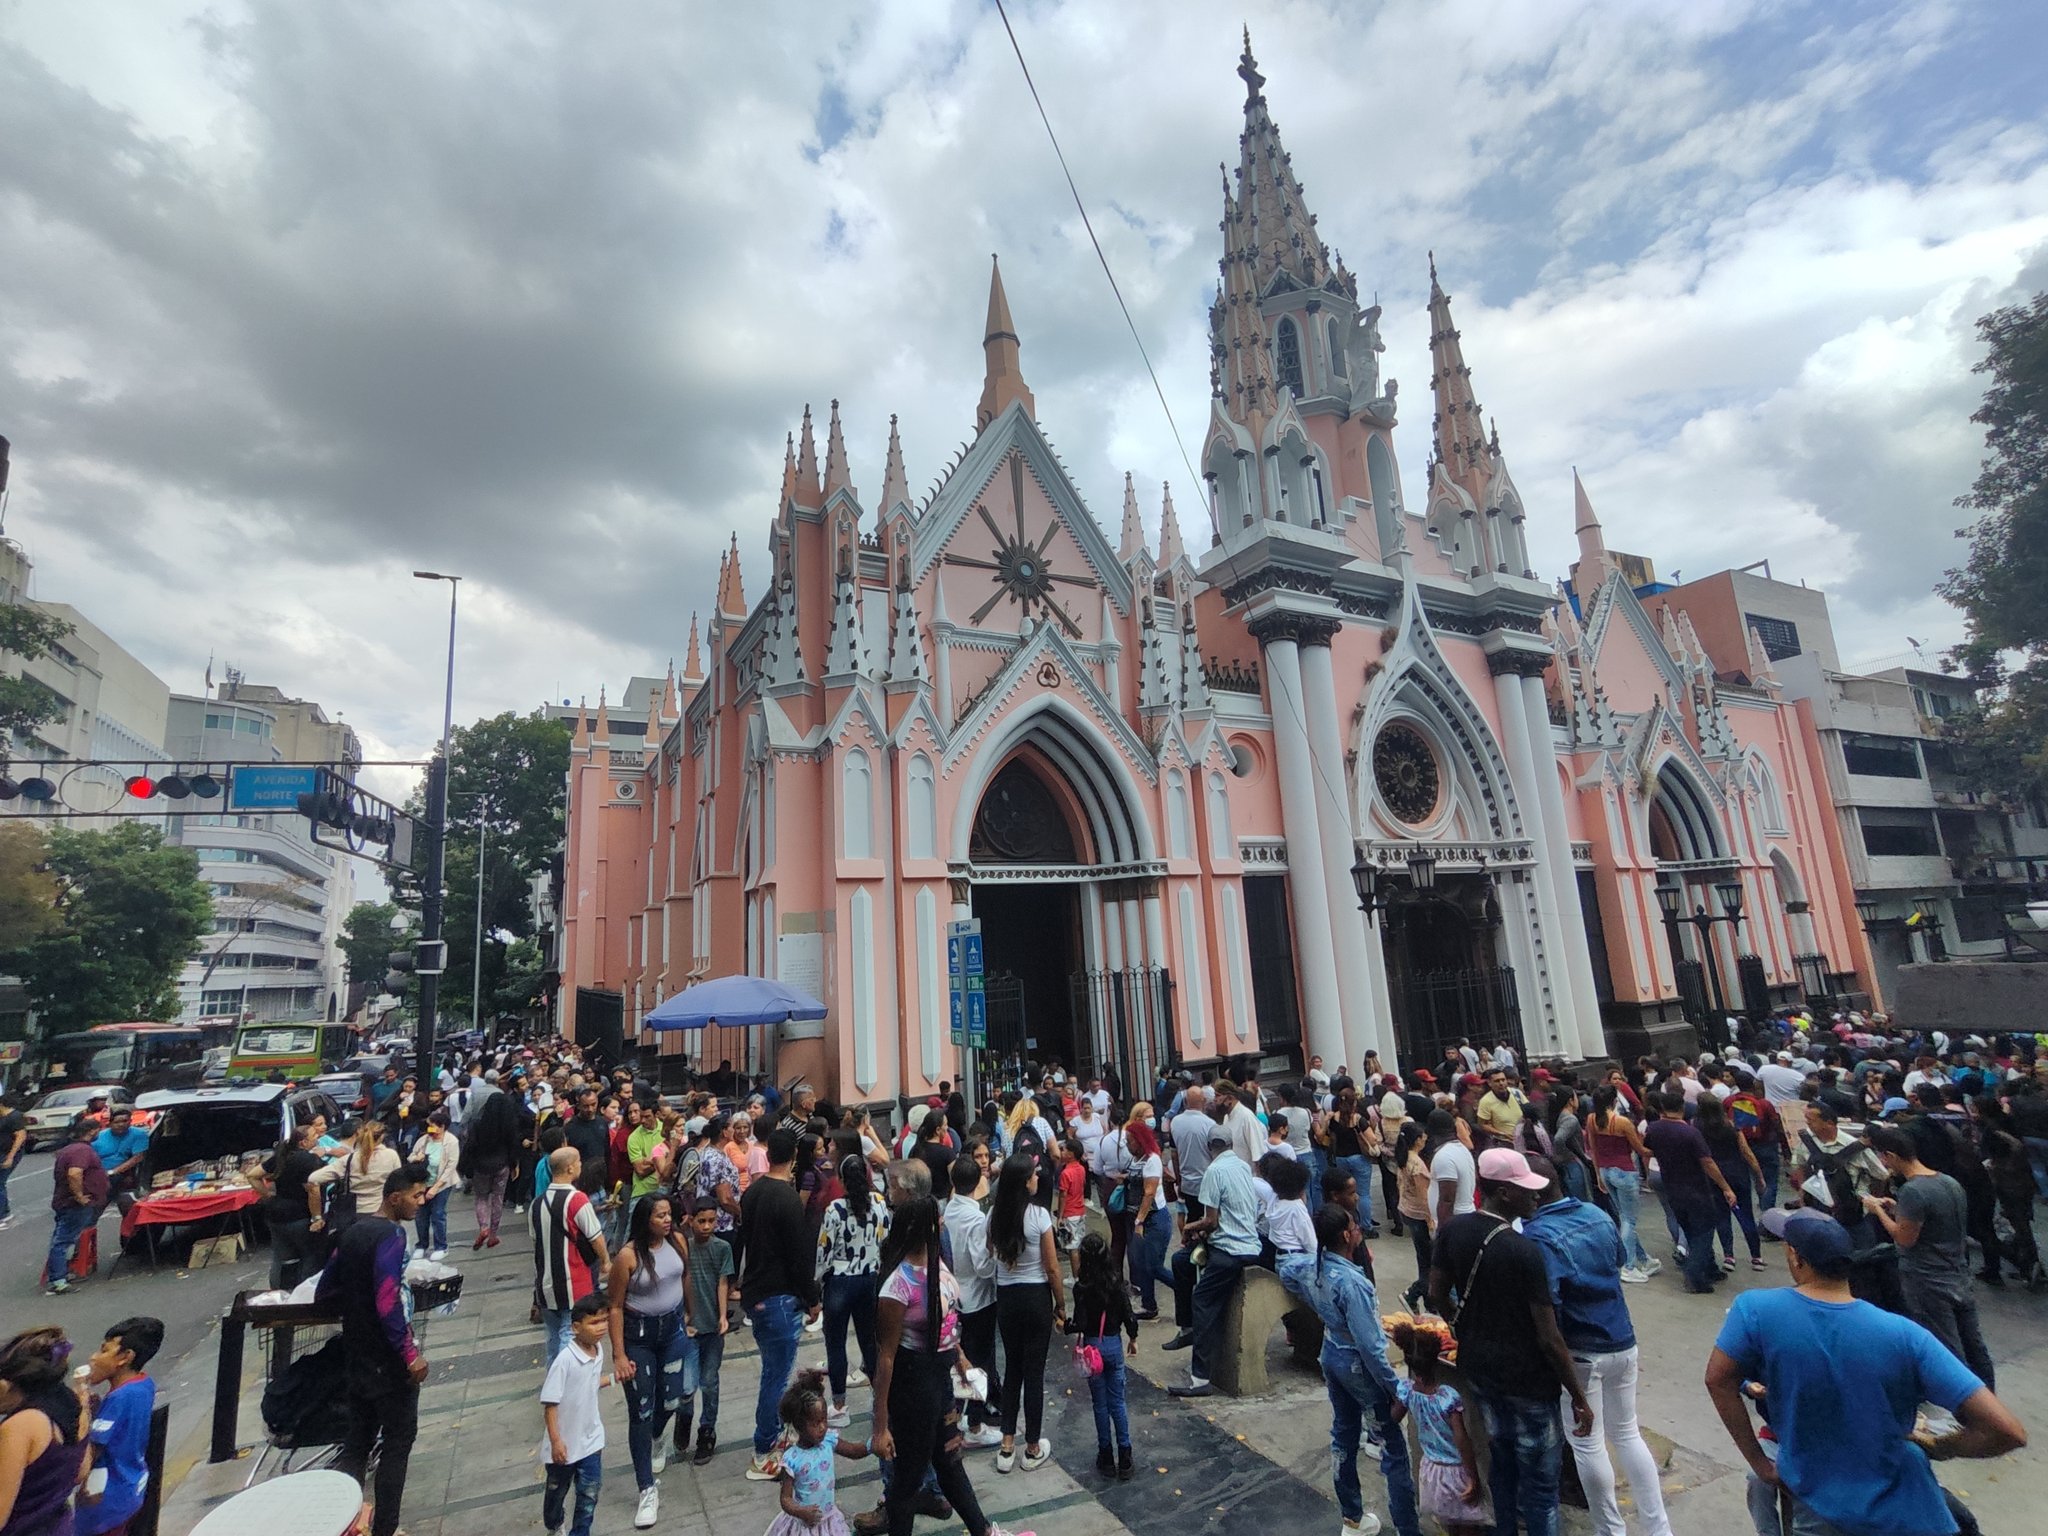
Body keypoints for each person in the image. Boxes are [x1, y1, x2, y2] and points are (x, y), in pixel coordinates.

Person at [1706, 1207, 2028, 1536]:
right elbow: (2008, 1431)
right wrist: (1941, 1447)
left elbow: (1718, 1380)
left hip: (1820, 1513)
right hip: (1911, 1517)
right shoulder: (1905, 1335)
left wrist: (1761, 1465)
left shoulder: (1756, 1311)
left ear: (1795, 1257)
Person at [1429, 1148, 1593, 1536]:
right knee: (1540, 1491)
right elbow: (1549, 1336)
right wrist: (1578, 1396)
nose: (1536, 1195)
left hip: (1479, 1373)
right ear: (1504, 1192)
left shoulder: (1453, 1230)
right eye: (1527, 1190)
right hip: (1529, 1384)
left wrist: (1460, 1325)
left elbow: (1435, 1292)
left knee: (1501, 1471)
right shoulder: (1525, 1251)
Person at [1523, 1157, 1673, 1536]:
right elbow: (1618, 1260)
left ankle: (1611, 1530)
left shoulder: (1539, 1236)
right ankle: (1659, 1529)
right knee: (1627, 1433)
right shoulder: (1596, 1213)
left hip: (1581, 1351)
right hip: (1622, 1338)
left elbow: (1549, 1307)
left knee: (1588, 1443)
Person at [316, 1163, 431, 1536]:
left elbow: (325, 1289)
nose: (421, 1202)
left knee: (358, 1443)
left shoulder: (353, 1232)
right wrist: (409, 1353)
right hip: (388, 1360)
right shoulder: (391, 1236)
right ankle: (385, 1528)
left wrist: (355, 1307)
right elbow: (386, 1300)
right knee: (397, 1445)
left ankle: (343, 1523)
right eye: (416, 1195)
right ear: (394, 1198)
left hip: (357, 1353)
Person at [1303, 1204, 1419, 1536]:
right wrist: (1394, 1386)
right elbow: (1369, 1346)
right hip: (1356, 1363)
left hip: (1332, 1354)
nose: (1358, 1231)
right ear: (1345, 1235)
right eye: (1354, 1226)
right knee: (1393, 1449)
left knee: (1343, 1434)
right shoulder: (1352, 1281)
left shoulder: (1319, 1266)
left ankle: (1352, 1519)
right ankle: (1407, 1528)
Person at [1862, 1125, 1995, 1389]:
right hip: (1957, 1273)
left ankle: (1966, 1411)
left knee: (1946, 1350)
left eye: (1884, 1158)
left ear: (1890, 1155)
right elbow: (1935, 1218)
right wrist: (1898, 1208)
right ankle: (1989, 1401)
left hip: (1927, 1278)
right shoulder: (1949, 1182)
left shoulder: (1913, 1191)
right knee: (1973, 1344)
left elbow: (1904, 1238)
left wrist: (1878, 1210)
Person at [740, 1129, 821, 1481]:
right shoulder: (787, 1199)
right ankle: (765, 1445)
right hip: (779, 1296)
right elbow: (799, 1256)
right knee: (775, 1375)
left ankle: (769, 1438)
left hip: (758, 1292)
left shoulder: (752, 1193)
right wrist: (812, 1297)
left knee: (773, 1371)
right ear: (792, 1159)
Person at [608, 1191, 689, 1528]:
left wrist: (691, 1319)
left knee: (671, 1399)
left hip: (672, 1330)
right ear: (645, 1220)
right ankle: (646, 1488)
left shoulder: (678, 1241)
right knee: (640, 1409)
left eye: (669, 1214)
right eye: (660, 1216)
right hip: (639, 1337)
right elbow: (614, 1306)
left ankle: (658, 1437)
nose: (667, 1220)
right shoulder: (627, 1257)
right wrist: (619, 1354)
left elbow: (683, 1278)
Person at [1168, 1127, 1262, 1401]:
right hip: (1247, 1241)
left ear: (1210, 1148)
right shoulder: (1242, 1166)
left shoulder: (1214, 1171)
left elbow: (1211, 1221)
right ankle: (1186, 1328)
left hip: (1230, 1248)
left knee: (1203, 1300)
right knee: (1181, 1262)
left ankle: (1201, 1378)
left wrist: (1188, 1228)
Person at [989, 1152, 1066, 1470]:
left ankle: (1007, 1443)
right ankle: (1032, 1445)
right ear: (1024, 1183)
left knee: (1013, 1372)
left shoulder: (994, 1214)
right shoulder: (1039, 1217)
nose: (1038, 1178)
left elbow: (991, 1253)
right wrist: (1061, 1305)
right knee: (1034, 1374)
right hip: (1036, 1298)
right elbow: (1052, 1267)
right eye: (1033, 1175)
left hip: (1007, 1298)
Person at [1384, 1314, 1485, 1535]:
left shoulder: (1407, 1390)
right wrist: (1474, 1476)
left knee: (1449, 1524)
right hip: (1455, 1472)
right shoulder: (1447, 1397)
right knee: (1468, 1527)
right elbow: (1461, 1439)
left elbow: (1394, 1416)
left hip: (1431, 1471)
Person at [73, 1317, 162, 1536]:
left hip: (105, 1501)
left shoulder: (119, 1399)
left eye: (104, 1351)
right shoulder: (144, 1384)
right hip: (130, 1489)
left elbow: (89, 1455)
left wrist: (82, 1403)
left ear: (125, 1357)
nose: (94, 1357)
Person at [818, 1154, 889, 1427]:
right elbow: (887, 1239)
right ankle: (878, 1398)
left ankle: (839, 1404)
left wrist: (819, 1279)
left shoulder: (835, 1210)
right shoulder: (880, 1204)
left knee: (835, 1343)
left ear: (843, 1180)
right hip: (870, 1279)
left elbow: (824, 1249)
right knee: (870, 1342)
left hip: (839, 1281)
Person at [1641, 1091, 1736, 1293]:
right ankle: (1694, 1277)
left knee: (1691, 1231)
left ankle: (1709, 1269)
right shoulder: (1690, 1133)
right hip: (1696, 1190)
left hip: (1673, 1188)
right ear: (1682, 1108)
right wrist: (1725, 1186)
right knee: (1703, 1233)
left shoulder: (1654, 1129)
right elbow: (1707, 1162)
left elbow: (1646, 1150)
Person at [0, 1327, 90, 1536]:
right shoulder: (74, 1403)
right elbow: (80, 1472)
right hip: (57, 1526)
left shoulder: (20, 1426)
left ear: (5, 1385)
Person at [1063, 1231, 1136, 1480]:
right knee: (1118, 1402)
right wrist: (1133, 1338)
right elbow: (1129, 1315)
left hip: (1092, 1350)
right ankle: (1125, 1455)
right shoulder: (1116, 1283)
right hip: (1114, 1345)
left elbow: (1081, 1322)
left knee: (1100, 1404)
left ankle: (1105, 1454)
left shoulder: (1081, 1288)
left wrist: (1066, 1326)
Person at [943, 1156, 1004, 1451]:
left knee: (958, 1359)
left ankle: (956, 1418)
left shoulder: (948, 1211)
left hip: (955, 1294)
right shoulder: (975, 1218)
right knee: (979, 1362)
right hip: (978, 1297)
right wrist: (996, 1259)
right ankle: (976, 1425)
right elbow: (982, 1266)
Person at [765, 1368, 871, 1536]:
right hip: (805, 1525)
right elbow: (785, 1499)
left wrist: (873, 1444)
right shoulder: (792, 1459)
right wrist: (801, 1511)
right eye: (815, 1424)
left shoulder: (828, 1441)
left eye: (824, 1420)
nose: (822, 1427)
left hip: (829, 1520)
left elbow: (853, 1450)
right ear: (799, 1425)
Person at [538, 1293, 609, 1536]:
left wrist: (612, 1379)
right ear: (576, 1327)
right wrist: (556, 1441)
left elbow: (588, 1383)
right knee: (557, 1493)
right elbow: (550, 1404)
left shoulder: (598, 1351)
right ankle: (553, 1523)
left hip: (590, 1440)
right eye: (594, 1322)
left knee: (589, 1494)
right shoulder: (565, 1360)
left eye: (604, 1321)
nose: (600, 1328)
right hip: (564, 1447)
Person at [533, 1147, 611, 1365]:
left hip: (545, 1283)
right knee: (570, 1335)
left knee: (552, 1337)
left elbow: (536, 1242)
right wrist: (605, 1261)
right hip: (574, 1282)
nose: (580, 1166)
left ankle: (553, 1384)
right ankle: (566, 1384)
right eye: (578, 1162)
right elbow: (596, 1237)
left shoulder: (537, 1204)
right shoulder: (578, 1200)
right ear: (569, 1168)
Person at [676, 1196, 733, 1465]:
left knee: (709, 1382)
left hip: (711, 1327)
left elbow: (723, 1283)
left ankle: (706, 1431)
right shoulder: (683, 1249)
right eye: (702, 1221)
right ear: (691, 1221)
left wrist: (723, 1316)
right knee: (687, 1385)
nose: (707, 1226)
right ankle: (684, 1419)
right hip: (689, 1328)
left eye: (712, 1221)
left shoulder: (722, 1249)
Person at [306, 1119, 402, 1253]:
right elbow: (398, 1181)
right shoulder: (391, 1156)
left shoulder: (350, 1159)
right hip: (383, 1212)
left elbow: (313, 1178)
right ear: (382, 1137)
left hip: (355, 1214)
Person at [1696, 1096, 1766, 1273]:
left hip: (1714, 1176)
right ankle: (1756, 1256)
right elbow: (1747, 1153)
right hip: (1738, 1173)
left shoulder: (1698, 1128)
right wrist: (1759, 1176)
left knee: (1722, 1216)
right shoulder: (1732, 1128)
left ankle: (1729, 1255)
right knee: (1746, 1215)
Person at [46, 1117, 108, 1295]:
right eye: (98, 1129)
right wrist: (79, 1196)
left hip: (66, 1202)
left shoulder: (72, 1149)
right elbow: (74, 1174)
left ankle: (58, 1275)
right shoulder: (81, 1150)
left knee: (60, 1239)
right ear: (92, 1131)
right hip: (73, 1204)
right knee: (63, 1241)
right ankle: (58, 1280)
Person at [259, 1122, 324, 1290]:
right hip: (298, 1215)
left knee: (281, 1258)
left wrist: (267, 1194)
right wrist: (317, 1217)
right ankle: (305, 1295)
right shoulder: (309, 1160)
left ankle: (278, 1292)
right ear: (304, 1142)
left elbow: (252, 1175)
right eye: (314, 1136)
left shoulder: (281, 1157)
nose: (317, 1137)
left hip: (275, 1214)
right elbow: (313, 1190)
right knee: (309, 1256)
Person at [461, 1082, 525, 1248]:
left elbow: (470, 1145)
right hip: (501, 1165)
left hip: (481, 1165)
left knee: (481, 1198)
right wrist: (514, 1164)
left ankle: (483, 1227)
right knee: (497, 1198)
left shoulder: (477, 1124)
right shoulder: (508, 1125)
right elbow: (513, 1145)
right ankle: (494, 1234)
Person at [1121, 1106, 1170, 1319]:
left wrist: (1139, 1220)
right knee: (1141, 1264)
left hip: (1154, 1219)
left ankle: (1187, 1290)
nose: (1127, 1145)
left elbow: (1149, 1193)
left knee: (1154, 1266)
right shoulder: (1136, 1159)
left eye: (1130, 1141)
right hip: (1138, 1217)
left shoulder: (1152, 1160)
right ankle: (1148, 1305)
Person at [412, 1110, 461, 1260]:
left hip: (442, 1184)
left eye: (432, 1126)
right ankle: (422, 1245)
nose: (430, 1129)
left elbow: (450, 1167)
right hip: (422, 1183)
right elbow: (411, 1155)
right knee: (421, 1215)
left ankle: (441, 1246)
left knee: (438, 1214)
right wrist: (416, 1158)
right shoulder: (424, 1140)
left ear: (442, 1127)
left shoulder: (451, 1142)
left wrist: (435, 1188)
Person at [89, 1108, 149, 1221]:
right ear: (110, 1123)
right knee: (93, 1209)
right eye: (117, 1122)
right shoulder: (99, 1137)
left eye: (125, 1121)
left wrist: (113, 1172)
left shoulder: (139, 1134)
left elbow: (138, 1157)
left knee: (129, 1209)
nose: (121, 1124)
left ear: (130, 1121)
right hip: (100, 1176)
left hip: (124, 1174)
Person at [0, 1094, 26, 1231]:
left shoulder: (14, 1117)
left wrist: (10, 1157)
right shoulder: (3, 1117)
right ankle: (5, 1211)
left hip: (8, 1154)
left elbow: (20, 1137)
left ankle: (1, 1217)